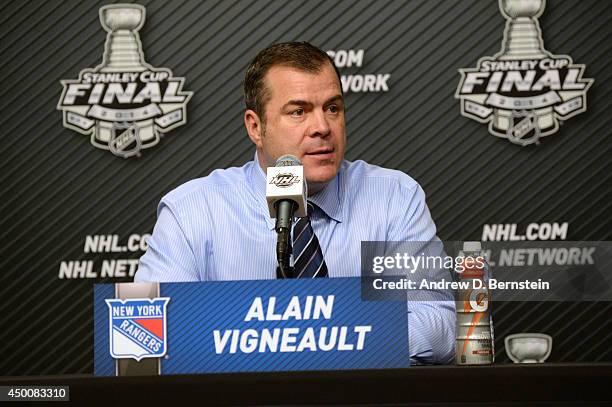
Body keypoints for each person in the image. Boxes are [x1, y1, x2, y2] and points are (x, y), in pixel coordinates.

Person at [135, 42, 455, 364]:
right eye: (298, 111)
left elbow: (440, 327)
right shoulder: (191, 212)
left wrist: (324, 337)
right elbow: (150, 335)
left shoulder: (393, 198)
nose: (322, 127)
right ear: (255, 127)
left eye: (332, 108)